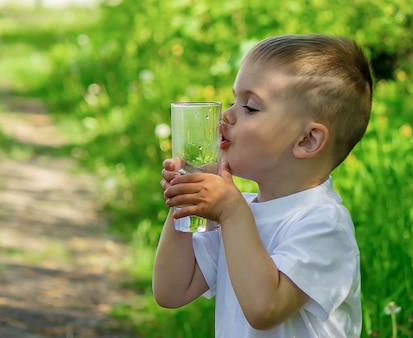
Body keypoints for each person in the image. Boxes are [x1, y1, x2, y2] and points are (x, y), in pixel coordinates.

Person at [153, 34, 373, 337]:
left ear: (307, 140)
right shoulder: (238, 210)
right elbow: (172, 291)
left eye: (251, 108)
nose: (226, 116)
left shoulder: (322, 225)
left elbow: (265, 308)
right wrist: (185, 199)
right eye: (233, 100)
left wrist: (232, 212)